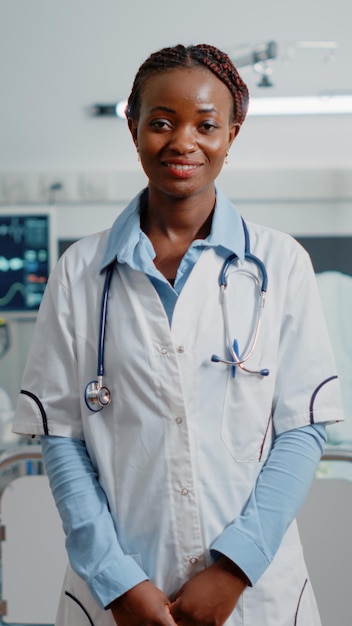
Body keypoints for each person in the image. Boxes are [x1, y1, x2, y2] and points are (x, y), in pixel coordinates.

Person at [13, 43, 343, 626]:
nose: (183, 142)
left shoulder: (281, 264)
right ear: (133, 126)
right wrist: (117, 582)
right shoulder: (79, 272)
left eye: (206, 125)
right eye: (161, 122)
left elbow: (302, 431)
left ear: (232, 134)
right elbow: (62, 440)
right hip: (117, 595)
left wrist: (233, 570)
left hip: (253, 595)